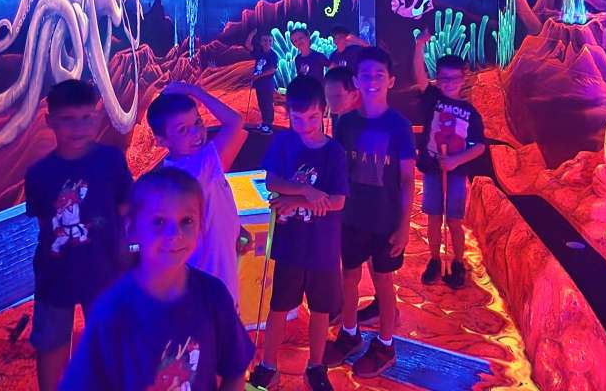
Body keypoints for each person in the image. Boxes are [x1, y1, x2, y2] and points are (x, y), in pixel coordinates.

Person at [59, 168, 254, 391]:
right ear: (131, 228)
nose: (174, 234)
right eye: (159, 221)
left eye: (186, 220)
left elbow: (235, 370)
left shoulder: (214, 296)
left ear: (201, 225)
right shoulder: (113, 310)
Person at [24, 79, 134, 391]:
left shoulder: (111, 160)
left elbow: (125, 208)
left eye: (86, 117)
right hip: (55, 275)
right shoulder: (39, 174)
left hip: (105, 269)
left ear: (96, 116)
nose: (79, 127)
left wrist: (123, 254)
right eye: (68, 119)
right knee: (51, 345)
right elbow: (45, 223)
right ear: (50, 121)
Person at [248, 77, 348, 391]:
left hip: (323, 248)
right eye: (298, 118)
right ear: (288, 113)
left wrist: (293, 201)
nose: (305, 125)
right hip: (290, 245)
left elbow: (337, 201)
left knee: (320, 310)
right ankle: (268, 365)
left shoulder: (334, 152)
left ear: (324, 111)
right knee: (279, 306)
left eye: (313, 117)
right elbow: (272, 181)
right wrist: (306, 191)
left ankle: (316, 366)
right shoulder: (283, 143)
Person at [324, 48, 415, 377]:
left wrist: (404, 226)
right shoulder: (346, 123)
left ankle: (386, 344)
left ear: (391, 80)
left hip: (385, 220)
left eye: (379, 74)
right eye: (365, 75)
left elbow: (407, 180)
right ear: (356, 80)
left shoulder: (400, 126)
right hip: (351, 218)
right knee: (349, 277)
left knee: (383, 281)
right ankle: (349, 333)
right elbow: (338, 171)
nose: (372, 80)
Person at [147, 81, 247, 306]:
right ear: (162, 140)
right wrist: (195, 91)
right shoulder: (203, 164)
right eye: (183, 130)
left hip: (206, 284)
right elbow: (235, 122)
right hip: (213, 287)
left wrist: (234, 227)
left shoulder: (177, 171)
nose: (196, 133)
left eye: (198, 122)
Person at [413, 30, 489, 288]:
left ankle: (457, 261)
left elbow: (479, 146)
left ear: (462, 78)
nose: (448, 83)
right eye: (444, 78)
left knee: (454, 221)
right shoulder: (432, 98)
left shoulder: (470, 112)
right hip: (433, 170)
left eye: (454, 78)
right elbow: (419, 74)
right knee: (434, 218)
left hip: (455, 173)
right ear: (438, 78)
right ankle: (435, 259)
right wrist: (419, 46)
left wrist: (457, 161)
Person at [245, 28, 279, 134]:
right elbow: (248, 46)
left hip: (267, 84)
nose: (267, 43)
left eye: (269, 40)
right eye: (265, 40)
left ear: (272, 42)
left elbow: (273, 69)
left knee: (267, 104)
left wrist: (259, 76)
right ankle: (264, 123)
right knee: (261, 104)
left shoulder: (273, 55)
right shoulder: (259, 52)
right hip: (259, 84)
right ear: (261, 42)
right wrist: (251, 35)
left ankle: (269, 125)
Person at [322, 66, 359, 137]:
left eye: (337, 96)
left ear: (354, 95)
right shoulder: (332, 118)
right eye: (328, 96)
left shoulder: (358, 125)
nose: (331, 102)